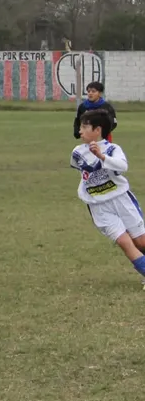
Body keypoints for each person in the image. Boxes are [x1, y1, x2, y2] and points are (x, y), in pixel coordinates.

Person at [70, 109, 145, 282]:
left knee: (140, 242)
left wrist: (101, 156)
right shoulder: (77, 152)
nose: (80, 130)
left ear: (98, 130)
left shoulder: (112, 149)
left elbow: (122, 167)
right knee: (124, 242)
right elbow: (80, 170)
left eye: (84, 126)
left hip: (121, 199)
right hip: (98, 206)